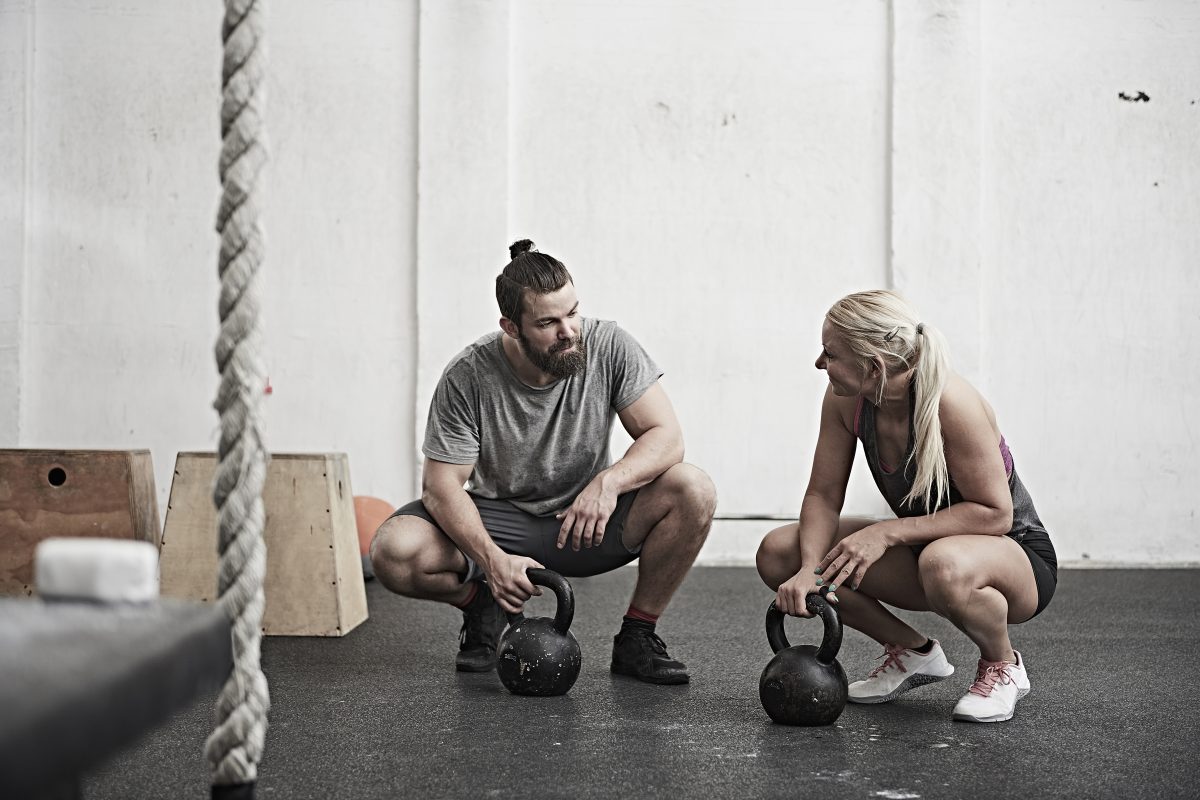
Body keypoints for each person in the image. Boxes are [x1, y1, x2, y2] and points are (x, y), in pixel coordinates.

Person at [370, 239, 716, 685]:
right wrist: (492, 562)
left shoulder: (609, 345)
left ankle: (638, 634)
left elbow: (666, 438)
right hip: (501, 522)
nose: (569, 331)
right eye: (548, 322)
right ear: (511, 327)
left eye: (572, 313)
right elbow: (441, 488)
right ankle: (481, 603)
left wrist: (607, 484)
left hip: (585, 523)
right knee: (393, 552)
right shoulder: (469, 375)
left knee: (693, 489)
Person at [756, 290, 1057, 723]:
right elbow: (823, 494)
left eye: (830, 354)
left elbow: (995, 513)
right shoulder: (847, 401)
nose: (820, 364)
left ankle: (1002, 665)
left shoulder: (952, 403)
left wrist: (884, 533)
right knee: (779, 551)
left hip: (1015, 559)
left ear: (873, 367)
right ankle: (911, 652)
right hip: (929, 551)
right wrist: (808, 568)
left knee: (943, 562)